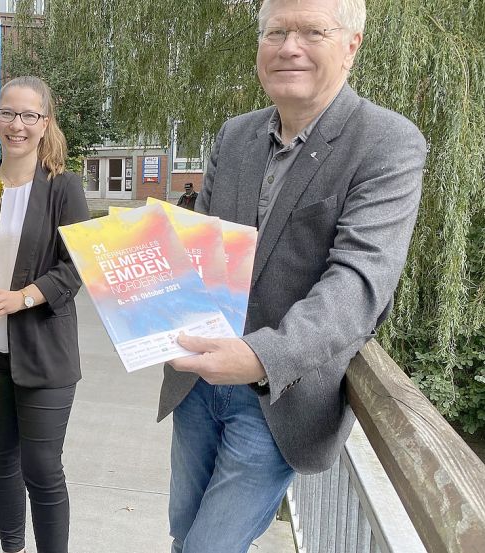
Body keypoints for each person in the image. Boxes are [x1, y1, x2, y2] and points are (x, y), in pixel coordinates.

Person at [156, 0, 427, 551]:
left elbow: (358, 285)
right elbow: (198, 251)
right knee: (184, 534)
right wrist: (142, 305)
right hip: (196, 383)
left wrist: (260, 358)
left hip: (278, 395)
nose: (289, 47)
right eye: (275, 31)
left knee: (208, 546)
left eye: (311, 31)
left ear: (351, 45)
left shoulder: (387, 142)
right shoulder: (235, 136)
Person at [0, 76, 90, 553]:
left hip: (45, 353)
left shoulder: (64, 187)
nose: (16, 125)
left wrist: (22, 297)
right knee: (0, 457)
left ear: (45, 123)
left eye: (28, 116)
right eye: (8, 113)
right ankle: (12, 548)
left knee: (42, 467)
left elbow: (79, 266)